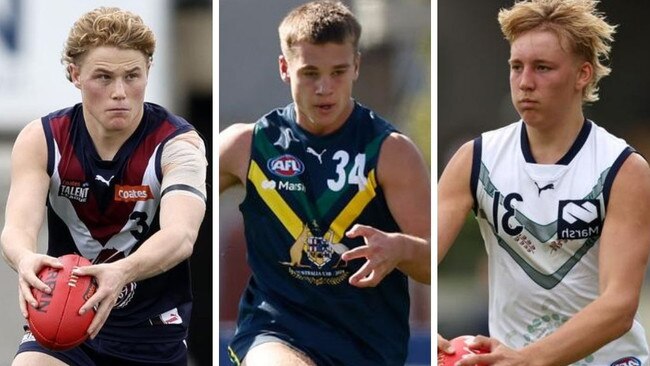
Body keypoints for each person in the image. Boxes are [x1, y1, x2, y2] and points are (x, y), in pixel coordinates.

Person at [438, 0, 650, 364]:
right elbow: (420, 257)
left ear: (583, 75)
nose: (525, 82)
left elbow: (618, 306)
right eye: (516, 67)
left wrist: (530, 359)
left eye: (543, 68)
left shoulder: (624, 169)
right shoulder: (475, 160)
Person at [219, 1, 430, 365]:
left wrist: (401, 249)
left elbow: (432, 260)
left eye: (338, 72)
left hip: (368, 346)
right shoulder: (247, 144)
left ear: (356, 67)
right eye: (310, 72)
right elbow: (176, 200)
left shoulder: (391, 152)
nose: (324, 88)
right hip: (275, 330)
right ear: (285, 68)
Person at [0, 7, 207, 365]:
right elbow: (17, 228)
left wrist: (123, 271)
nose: (120, 92)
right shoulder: (42, 139)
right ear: (74, 74)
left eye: (132, 76)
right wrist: (25, 258)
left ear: (148, 71)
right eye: (104, 77)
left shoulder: (178, 145)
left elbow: (182, 235)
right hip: (66, 320)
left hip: (149, 331)